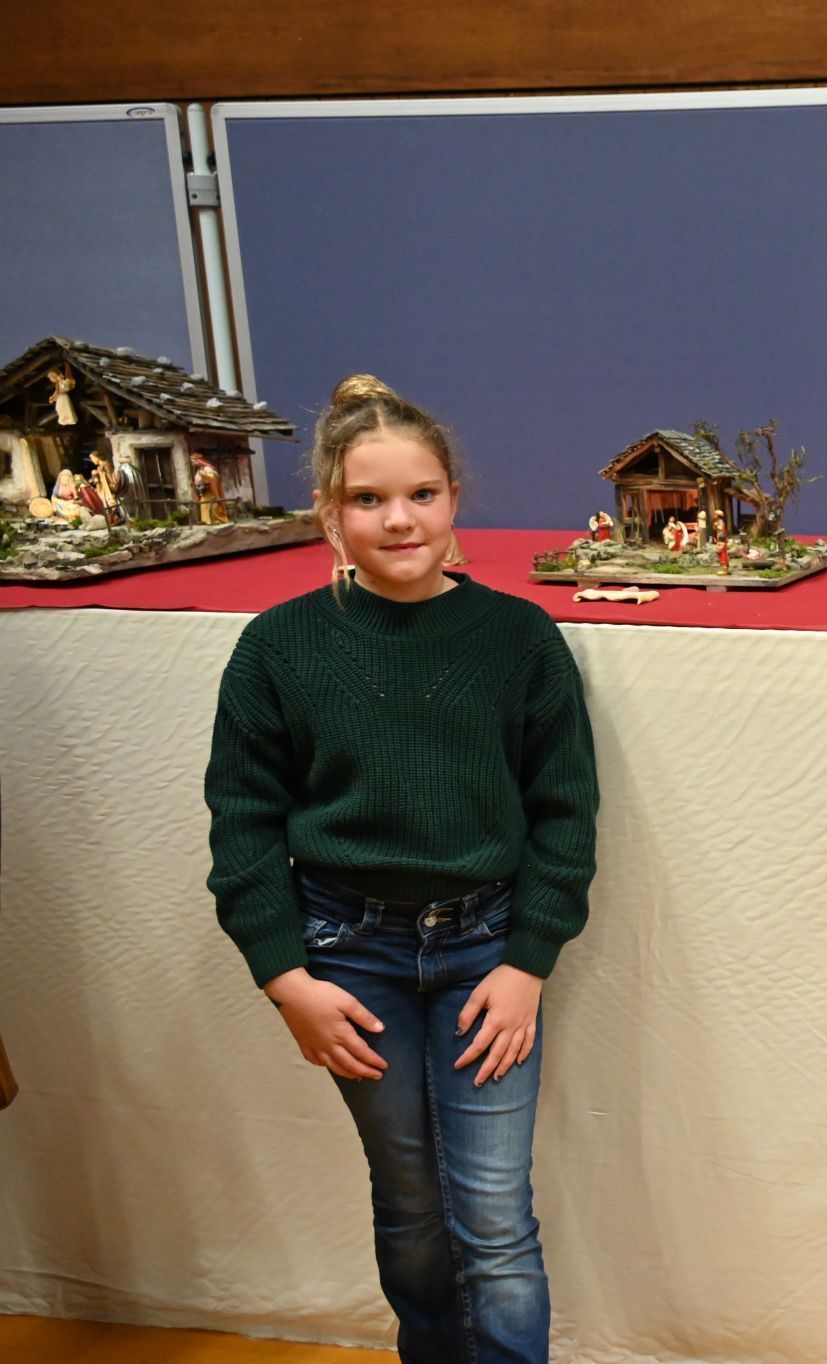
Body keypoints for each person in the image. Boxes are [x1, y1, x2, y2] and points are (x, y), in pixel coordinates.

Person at [205, 374, 598, 1364]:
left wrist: (527, 960)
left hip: (485, 954)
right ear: (328, 512)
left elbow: (564, 810)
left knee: (495, 1211)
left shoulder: (519, 640)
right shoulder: (277, 649)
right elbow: (243, 819)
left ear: (454, 497)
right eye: (367, 498)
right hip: (349, 955)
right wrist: (285, 976)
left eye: (420, 493)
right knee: (413, 1202)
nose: (398, 517)